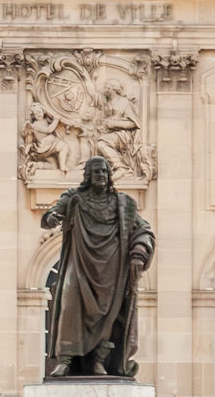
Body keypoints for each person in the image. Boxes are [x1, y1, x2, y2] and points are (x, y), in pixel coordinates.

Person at [42, 154, 155, 378]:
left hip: (112, 267)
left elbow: (144, 229)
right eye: (96, 172)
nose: (101, 175)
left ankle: (98, 360)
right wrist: (52, 218)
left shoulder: (123, 204)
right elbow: (51, 214)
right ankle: (65, 360)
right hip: (80, 261)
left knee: (108, 314)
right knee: (69, 304)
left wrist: (138, 254)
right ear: (87, 176)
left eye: (104, 172)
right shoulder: (74, 199)